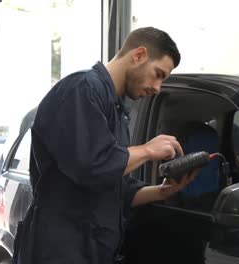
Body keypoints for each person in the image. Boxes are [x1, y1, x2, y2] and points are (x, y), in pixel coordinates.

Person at [13, 27, 197, 264]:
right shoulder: (82, 88)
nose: (157, 88)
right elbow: (93, 167)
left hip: (91, 249)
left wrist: (163, 191)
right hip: (60, 250)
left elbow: (115, 189)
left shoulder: (117, 109)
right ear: (139, 55)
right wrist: (148, 150)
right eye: (158, 74)